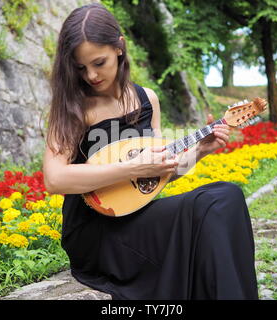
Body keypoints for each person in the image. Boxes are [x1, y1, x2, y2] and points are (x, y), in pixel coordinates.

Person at [42, 3, 258, 300]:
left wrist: (200, 151)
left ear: (120, 48)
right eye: (81, 67)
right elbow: (54, 179)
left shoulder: (147, 99)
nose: (91, 75)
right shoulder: (74, 106)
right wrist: (132, 168)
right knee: (212, 208)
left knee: (225, 197)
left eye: (99, 62)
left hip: (139, 215)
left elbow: (154, 177)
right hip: (97, 233)